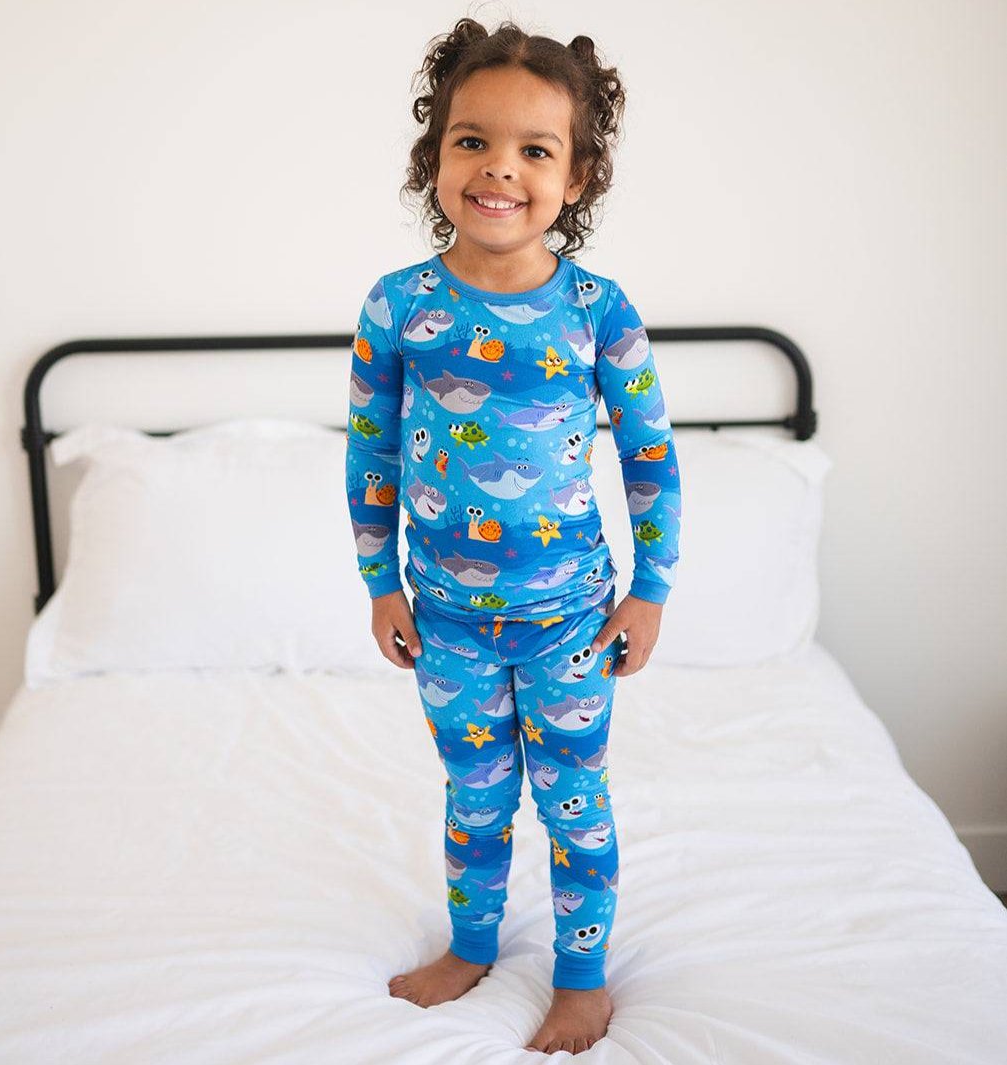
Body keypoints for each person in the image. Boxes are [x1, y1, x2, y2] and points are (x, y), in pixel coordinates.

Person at [344, 17, 681, 1056]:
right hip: (444, 617)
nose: (500, 168)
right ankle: (473, 943)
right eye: (472, 140)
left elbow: (653, 459)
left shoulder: (598, 309)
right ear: (434, 156)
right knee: (474, 795)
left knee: (573, 798)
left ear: (576, 178)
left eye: (536, 149)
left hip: (570, 617)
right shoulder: (396, 308)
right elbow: (373, 459)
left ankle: (582, 978)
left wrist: (650, 588)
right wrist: (380, 583)